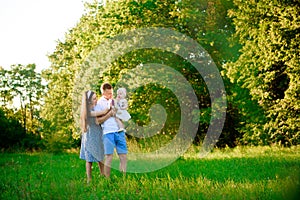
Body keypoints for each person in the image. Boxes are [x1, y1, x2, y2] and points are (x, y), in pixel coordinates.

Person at [79, 90, 114, 183]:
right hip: (92, 137)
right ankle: (89, 179)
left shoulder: (94, 108)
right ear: (89, 101)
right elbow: (102, 115)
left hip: (95, 136)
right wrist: (109, 110)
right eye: (94, 99)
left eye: (96, 98)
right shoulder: (89, 112)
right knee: (90, 159)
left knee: (99, 158)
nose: (96, 100)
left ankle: (102, 175)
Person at [97, 83, 128, 177]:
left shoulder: (115, 100)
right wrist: (110, 113)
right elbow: (98, 121)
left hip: (119, 131)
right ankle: (107, 179)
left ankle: (123, 178)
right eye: (108, 93)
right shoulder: (99, 103)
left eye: (111, 93)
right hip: (108, 132)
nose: (110, 95)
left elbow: (122, 112)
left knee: (123, 156)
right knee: (109, 156)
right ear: (103, 92)